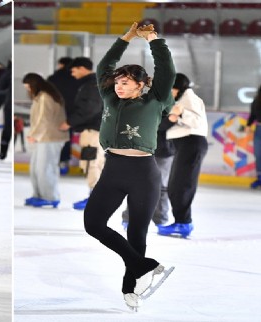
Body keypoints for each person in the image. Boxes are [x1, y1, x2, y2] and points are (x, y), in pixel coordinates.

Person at [83, 22, 176, 311]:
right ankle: (144, 265)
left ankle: (129, 289)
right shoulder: (110, 97)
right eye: (118, 82)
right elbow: (104, 66)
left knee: (137, 234)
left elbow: (166, 71)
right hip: (113, 170)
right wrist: (126, 38)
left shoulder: (156, 100)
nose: (119, 86)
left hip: (143, 173)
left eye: (125, 82)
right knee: (93, 224)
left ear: (140, 84)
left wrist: (153, 40)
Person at [158, 73, 208, 238]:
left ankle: (183, 223)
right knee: (176, 186)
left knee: (181, 186)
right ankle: (181, 221)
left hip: (191, 143)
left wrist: (180, 113)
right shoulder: (183, 98)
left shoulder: (189, 98)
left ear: (177, 88)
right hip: (184, 145)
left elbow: (197, 121)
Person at [59, 57, 105, 210]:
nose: (72, 74)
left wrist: (70, 122)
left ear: (82, 68)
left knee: (91, 163)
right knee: (94, 162)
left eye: (74, 70)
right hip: (95, 130)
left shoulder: (92, 85)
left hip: (93, 131)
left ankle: (95, 198)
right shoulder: (93, 83)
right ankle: (96, 196)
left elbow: (89, 109)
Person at [22, 73, 68, 208]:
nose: (28, 91)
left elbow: (44, 119)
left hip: (50, 138)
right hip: (43, 138)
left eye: (28, 87)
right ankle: (39, 194)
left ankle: (50, 197)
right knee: (36, 168)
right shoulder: (41, 97)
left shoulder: (45, 97)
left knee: (45, 168)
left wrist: (34, 135)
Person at [122, 114, 175, 229]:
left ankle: (160, 219)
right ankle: (129, 218)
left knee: (160, 186)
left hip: (165, 151)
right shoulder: (147, 102)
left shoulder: (176, 104)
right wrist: (169, 121)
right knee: (138, 185)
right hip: (143, 149)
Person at [47, 57, 81, 174]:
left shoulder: (52, 79)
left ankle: (53, 162)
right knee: (67, 138)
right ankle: (64, 162)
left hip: (54, 113)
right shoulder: (76, 79)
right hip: (70, 114)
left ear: (61, 65)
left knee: (53, 138)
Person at [246, 84, 261, 189]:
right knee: (258, 154)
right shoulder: (256, 101)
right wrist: (248, 125)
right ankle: (260, 178)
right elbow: (252, 115)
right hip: (259, 129)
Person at [0, 60, 12, 160]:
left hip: (10, 104)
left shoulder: (9, 72)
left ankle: (3, 152)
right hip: (13, 104)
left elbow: (1, 85)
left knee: (8, 129)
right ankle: (3, 152)